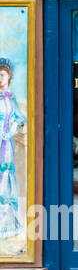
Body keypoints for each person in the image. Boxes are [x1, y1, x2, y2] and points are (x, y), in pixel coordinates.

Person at [0, 59, 26, 242]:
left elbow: (19, 116)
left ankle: (8, 225)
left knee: (7, 180)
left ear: (9, 76)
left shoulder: (11, 98)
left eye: (2, 75)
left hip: (7, 145)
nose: (0, 79)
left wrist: (14, 124)